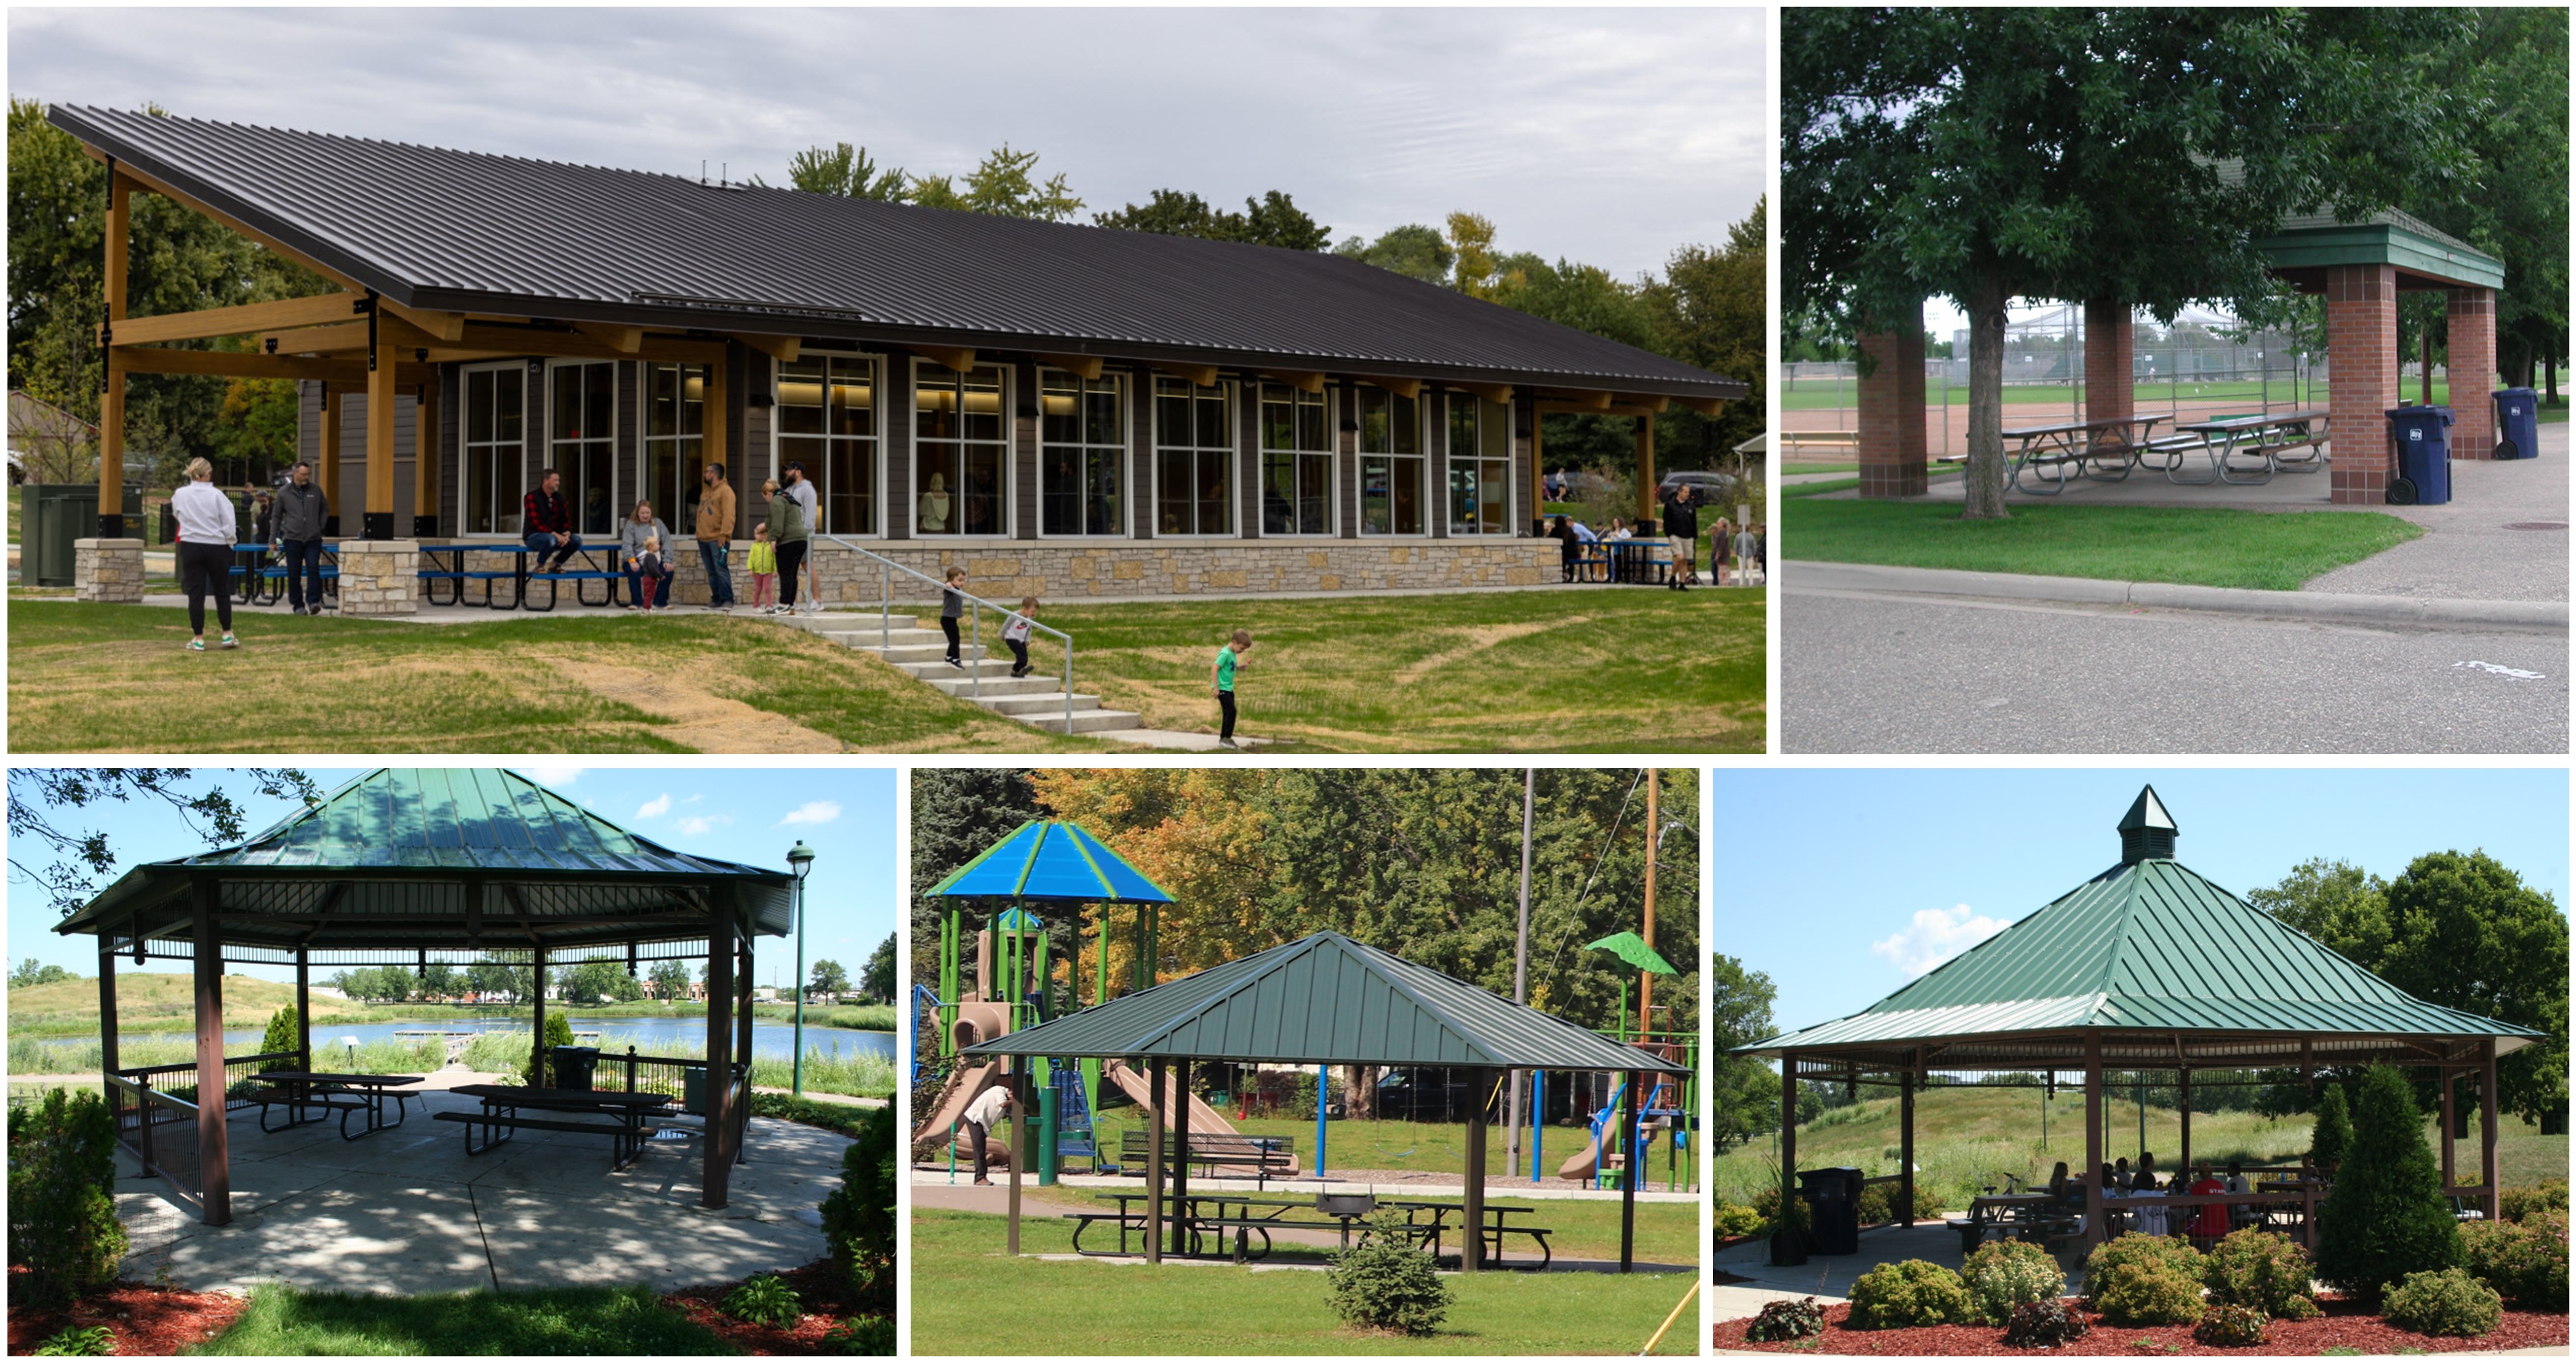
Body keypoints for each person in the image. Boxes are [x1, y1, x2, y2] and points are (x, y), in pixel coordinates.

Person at [171, 458, 240, 651]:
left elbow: (177, 513)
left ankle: (198, 637)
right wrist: (230, 541)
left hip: (191, 544)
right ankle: (227, 633)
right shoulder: (217, 496)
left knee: (195, 593)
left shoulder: (181, 494)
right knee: (221, 590)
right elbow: (228, 521)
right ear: (209, 474)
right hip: (216, 545)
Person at [271, 460, 329, 615]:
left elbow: (324, 509)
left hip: (313, 538)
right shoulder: (284, 492)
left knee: (313, 570)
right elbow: (276, 516)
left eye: (308, 474)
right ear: (295, 473)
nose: (306, 477)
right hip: (292, 539)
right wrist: (272, 540)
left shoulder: (316, 490)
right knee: (294, 573)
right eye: (303, 474)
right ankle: (298, 605)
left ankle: (313, 601)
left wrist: (320, 526)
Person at [695, 462, 737, 612]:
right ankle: (717, 598)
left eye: (707, 472)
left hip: (718, 539)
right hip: (703, 538)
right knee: (711, 571)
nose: (705, 474)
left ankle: (728, 599)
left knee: (720, 569)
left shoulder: (726, 492)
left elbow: (729, 515)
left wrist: (724, 535)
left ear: (714, 474)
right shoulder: (706, 492)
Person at [764, 477, 809, 614]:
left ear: (768, 493)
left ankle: (784, 604)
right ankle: (790, 604)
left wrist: (773, 540)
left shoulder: (776, 500)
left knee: (785, 573)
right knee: (792, 574)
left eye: (764, 496)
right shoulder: (788, 498)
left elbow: (778, 522)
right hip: (801, 539)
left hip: (788, 541)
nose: (766, 500)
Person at [523, 469, 582, 572]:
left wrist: (567, 533)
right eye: (555, 480)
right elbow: (536, 522)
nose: (558, 483)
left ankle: (555, 564)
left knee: (576, 540)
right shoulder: (531, 497)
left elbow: (566, 519)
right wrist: (556, 535)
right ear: (546, 481)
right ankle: (539, 565)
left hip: (555, 535)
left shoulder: (559, 498)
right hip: (534, 535)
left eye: (558, 480)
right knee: (551, 540)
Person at [620, 500, 675, 610]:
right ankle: (637, 602)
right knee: (633, 571)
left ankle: (660, 601)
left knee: (668, 571)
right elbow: (627, 544)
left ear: (651, 513)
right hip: (636, 560)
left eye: (648, 513)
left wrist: (668, 560)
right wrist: (632, 560)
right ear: (637, 513)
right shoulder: (631, 525)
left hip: (655, 560)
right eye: (642, 513)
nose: (645, 516)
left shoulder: (658, 524)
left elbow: (667, 542)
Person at [781, 461, 821, 613]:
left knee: (807, 565)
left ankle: (817, 601)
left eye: (789, 470)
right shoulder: (790, 489)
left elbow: (810, 515)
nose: (786, 473)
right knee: (792, 568)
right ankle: (793, 602)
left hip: (804, 535)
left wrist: (804, 533)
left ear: (797, 472)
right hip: (791, 535)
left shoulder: (807, 490)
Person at [959, 1076, 1010, 1186]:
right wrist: (1014, 1101)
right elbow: (1002, 1104)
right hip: (975, 1119)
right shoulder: (999, 1090)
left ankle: (981, 1176)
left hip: (981, 1122)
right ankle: (980, 1178)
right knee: (979, 1149)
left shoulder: (1003, 1095)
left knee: (981, 1149)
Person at [1212, 628, 1253, 749]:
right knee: (1231, 711)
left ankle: (1224, 739)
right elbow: (1215, 668)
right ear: (1234, 642)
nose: (1242, 651)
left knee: (1228, 713)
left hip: (1229, 688)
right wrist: (1216, 688)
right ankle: (1226, 739)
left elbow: (1229, 667)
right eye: (1242, 648)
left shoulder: (1232, 653)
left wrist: (1240, 667)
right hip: (1222, 688)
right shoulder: (1225, 653)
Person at [1660, 483, 1699, 589]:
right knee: (1679, 557)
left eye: (1688, 492)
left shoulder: (1691, 505)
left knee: (1685, 560)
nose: (1688, 494)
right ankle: (1673, 577)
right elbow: (1666, 521)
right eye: (1686, 492)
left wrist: (1694, 535)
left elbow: (1693, 521)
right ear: (1679, 492)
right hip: (1675, 535)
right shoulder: (1670, 505)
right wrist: (1669, 533)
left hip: (1688, 535)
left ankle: (1682, 584)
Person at [2186, 1161, 2229, 1247]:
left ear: (2200, 1173)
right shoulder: (2219, 1184)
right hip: (2224, 1227)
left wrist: (2189, 1189)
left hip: (2207, 1228)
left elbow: (2188, 1203)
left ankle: (2193, 1253)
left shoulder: (2200, 1185)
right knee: (2199, 1224)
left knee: (2182, 1226)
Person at [1003, 595, 1039, 678]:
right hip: (1011, 638)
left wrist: (1027, 639)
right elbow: (1006, 625)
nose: (1033, 614)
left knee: (1025, 658)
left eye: (1035, 612)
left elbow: (1029, 629)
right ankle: (1015, 671)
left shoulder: (1029, 618)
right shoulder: (1015, 615)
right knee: (1021, 655)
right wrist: (1002, 635)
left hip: (1021, 640)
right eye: (1032, 611)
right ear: (1025, 608)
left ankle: (1020, 670)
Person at [939, 566, 968, 668]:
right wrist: (948, 584)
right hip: (947, 619)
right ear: (951, 579)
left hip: (952, 619)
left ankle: (948, 658)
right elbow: (947, 587)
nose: (962, 583)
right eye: (959, 580)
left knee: (954, 639)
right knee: (955, 640)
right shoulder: (950, 589)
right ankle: (956, 659)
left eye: (963, 580)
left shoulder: (958, 589)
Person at [747, 521, 777, 611]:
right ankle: (756, 605)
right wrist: (750, 568)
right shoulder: (754, 546)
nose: (755, 536)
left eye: (756, 534)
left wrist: (776, 570)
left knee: (767, 588)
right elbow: (751, 558)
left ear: (764, 535)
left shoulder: (770, 546)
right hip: (757, 571)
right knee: (758, 589)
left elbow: (774, 558)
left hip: (768, 571)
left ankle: (769, 605)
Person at [1548, 514, 1580, 583]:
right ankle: (1571, 576)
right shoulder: (1569, 530)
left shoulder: (1555, 530)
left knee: (1561, 559)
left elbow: (1549, 539)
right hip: (1573, 553)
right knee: (1567, 560)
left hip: (1562, 554)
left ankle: (1563, 575)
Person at [1734, 521, 1762, 587]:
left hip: (1741, 554)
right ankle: (1751, 583)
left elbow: (1736, 546)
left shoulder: (1738, 536)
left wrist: (1737, 553)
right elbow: (1754, 546)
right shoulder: (1751, 536)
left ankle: (1741, 583)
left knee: (1741, 569)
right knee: (1750, 569)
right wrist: (1754, 554)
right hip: (1750, 554)